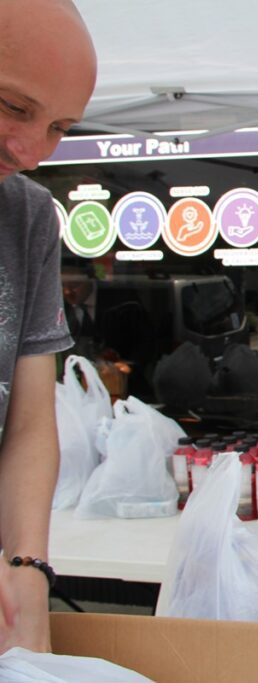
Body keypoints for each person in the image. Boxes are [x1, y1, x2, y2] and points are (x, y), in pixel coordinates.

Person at [0, 0, 98, 653]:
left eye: (61, 125)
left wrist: (28, 564)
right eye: (13, 106)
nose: (32, 151)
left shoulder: (28, 216)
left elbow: (31, 421)